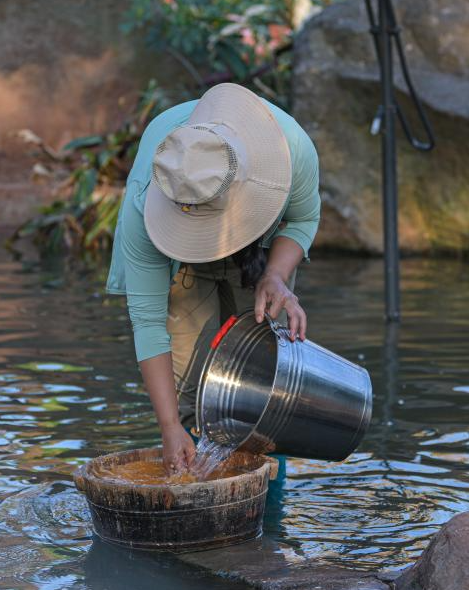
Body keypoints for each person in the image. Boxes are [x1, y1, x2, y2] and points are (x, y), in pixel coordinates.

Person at [106, 83, 321, 473]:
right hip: (180, 263)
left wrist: (276, 275)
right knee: (189, 394)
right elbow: (149, 322)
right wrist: (170, 427)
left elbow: (304, 218)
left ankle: (266, 519)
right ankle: (199, 495)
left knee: (266, 389)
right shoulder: (146, 204)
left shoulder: (292, 150)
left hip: (258, 248)